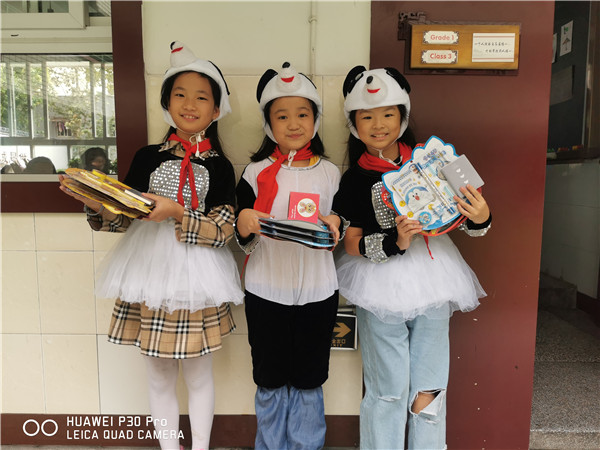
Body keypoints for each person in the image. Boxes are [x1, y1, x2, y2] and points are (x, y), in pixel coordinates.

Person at [59, 41, 244, 450]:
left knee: (198, 374)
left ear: (216, 110)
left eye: (201, 97)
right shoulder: (146, 157)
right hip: (148, 272)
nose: (190, 104)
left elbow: (223, 230)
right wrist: (97, 203)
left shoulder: (220, 166)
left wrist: (177, 213)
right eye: (180, 95)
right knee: (158, 374)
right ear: (166, 103)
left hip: (199, 278)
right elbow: (123, 217)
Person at [332, 66, 492, 450]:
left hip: (434, 278)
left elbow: (468, 217)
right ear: (354, 124)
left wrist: (481, 215)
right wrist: (395, 242)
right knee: (386, 388)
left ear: (402, 117)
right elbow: (350, 242)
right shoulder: (354, 179)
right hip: (379, 284)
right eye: (367, 117)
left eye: (388, 114)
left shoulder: (435, 162)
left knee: (429, 388)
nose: (378, 125)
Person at [234, 62, 346, 449]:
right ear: (269, 124)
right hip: (266, 291)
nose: (293, 123)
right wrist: (244, 223)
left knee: (309, 380)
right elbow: (240, 236)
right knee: (269, 378)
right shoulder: (254, 173)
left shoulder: (331, 173)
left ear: (316, 120)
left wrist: (337, 222)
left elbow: (343, 223)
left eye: (303, 114)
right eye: (282, 116)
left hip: (318, 291)